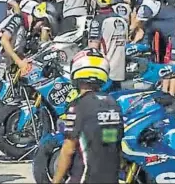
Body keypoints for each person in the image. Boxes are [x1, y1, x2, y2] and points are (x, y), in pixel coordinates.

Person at [53, 48, 123, 184]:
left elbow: (68, 150)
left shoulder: (78, 105)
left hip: (85, 178)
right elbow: (113, 141)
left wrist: (56, 181)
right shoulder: (113, 103)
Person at [88, 0, 128, 86]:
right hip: (120, 72)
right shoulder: (122, 19)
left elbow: (93, 48)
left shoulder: (98, 20)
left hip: (104, 71)